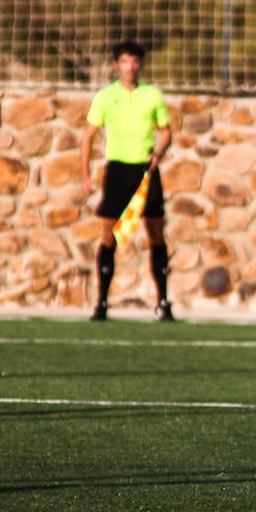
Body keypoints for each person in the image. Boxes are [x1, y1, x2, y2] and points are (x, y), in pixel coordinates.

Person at [79, 41, 174, 321]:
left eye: (134, 62)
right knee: (109, 235)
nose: (130, 67)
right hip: (118, 171)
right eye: (124, 61)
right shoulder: (105, 97)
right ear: (115, 65)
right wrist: (85, 173)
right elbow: (88, 135)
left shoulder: (152, 95)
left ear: (140, 65)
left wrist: (159, 152)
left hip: (146, 171)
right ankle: (102, 303)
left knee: (156, 232)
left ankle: (163, 302)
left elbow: (166, 131)